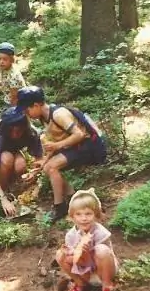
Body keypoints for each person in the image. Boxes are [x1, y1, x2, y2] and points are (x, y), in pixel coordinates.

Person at [14, 85, 107, 221]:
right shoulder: (44, 118)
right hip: (74, 146)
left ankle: (59, 206)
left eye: (27, 110)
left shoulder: (58, 114)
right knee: (47, 167)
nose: (26, 114)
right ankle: (72, 196)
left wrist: (56, 146)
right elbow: (55, 146)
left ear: (36, 105)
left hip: (88, 146)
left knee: (52, 167)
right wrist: (42, 164)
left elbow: (79, 134)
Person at [0, 107, 44, 217]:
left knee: (20, 165)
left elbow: (39, 159)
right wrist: (2, 199)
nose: (15, 135)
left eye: (18, 131)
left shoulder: (32, 133)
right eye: (11, 131)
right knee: (6, 159)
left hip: (11, 149)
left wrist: (34, 172)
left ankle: (10, 185)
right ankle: (3, 192)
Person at [55, 189, 117, 291]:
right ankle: (79, 284)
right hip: (84, 271)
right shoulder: (71, 235)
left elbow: (98, 259)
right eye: (79, 214)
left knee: (101, 250)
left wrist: (85, 251)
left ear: (96, 215)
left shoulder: (101, 233)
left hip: (102, 271)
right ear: (72, 216)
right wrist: (70, 253)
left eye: (88, 214)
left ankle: (107, 288)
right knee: (60, 255)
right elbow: (76, 260)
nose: (84, 218)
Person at [0, 42, 26, 106]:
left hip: (18, 102)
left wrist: (12, 111)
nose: (1, 62)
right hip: (8, 96)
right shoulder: (1, 66)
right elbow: (4, 79)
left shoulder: (13, 75)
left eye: (5, 59)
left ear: (11, 60)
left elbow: (14, 97)